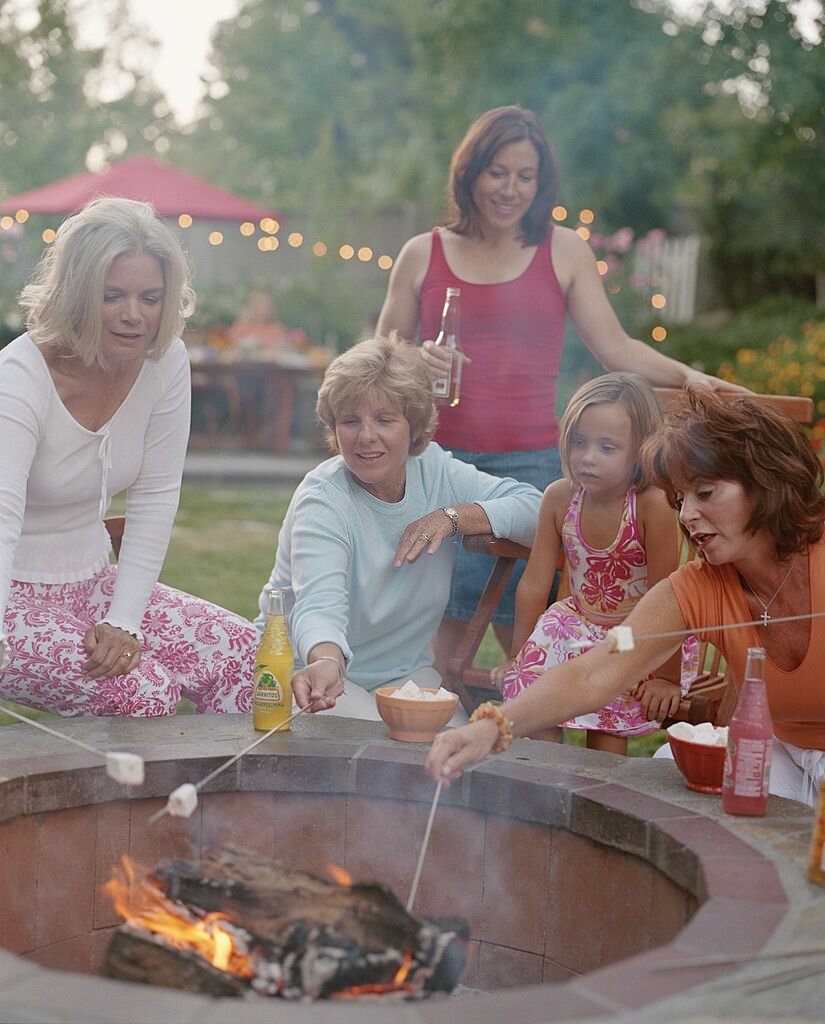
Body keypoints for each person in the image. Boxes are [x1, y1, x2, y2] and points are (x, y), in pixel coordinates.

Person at [376, 104, 744, 671]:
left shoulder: (563, 249)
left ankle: (523, 742)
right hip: (438, 461)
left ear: (541, 182)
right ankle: (444, 739)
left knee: (527, 636)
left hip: (532, 466)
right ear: (469, 173)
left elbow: (616, 349)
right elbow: (381, 358)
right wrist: (413, 361)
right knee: (445, 636)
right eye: (498, 172)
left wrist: (688, 376)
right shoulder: (422, 252)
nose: (511, 189)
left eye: (526, 176)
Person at [426, 388, 825, 807]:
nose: (687, 515)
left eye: (704, 494)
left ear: (765, 484)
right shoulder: (697, 588)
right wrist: (493, 725)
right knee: (672, 795)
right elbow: (598, 670)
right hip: (778, 753)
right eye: (680, 499)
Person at [0, 197, 255, 717]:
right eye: (111, 295)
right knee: (143, 692)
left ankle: (208, 800)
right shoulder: (18, 379)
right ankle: (113, 800)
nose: (133, 315)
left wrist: (124, 618)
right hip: (9, 599)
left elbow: (157, 494)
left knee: (245, 654)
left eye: (150, 296)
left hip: (92, 579)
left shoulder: (166, 360)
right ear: (75, 294)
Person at [254, 333, 542, 720]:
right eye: (350, 421)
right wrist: (326, 660)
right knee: (384, 753)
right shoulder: (322, 498)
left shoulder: (435, 470)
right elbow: (318, 605)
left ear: (414, 424)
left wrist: (454, 517)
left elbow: (538, 509)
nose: (366, 436)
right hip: (310, 677)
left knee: (460, 755)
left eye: (384, 420)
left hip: (406, 675)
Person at [496, 373, 698, 754]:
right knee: (537, 702)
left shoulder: (650, 504)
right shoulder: (559, 498)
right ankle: (544, 785)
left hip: (633, 634)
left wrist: (667, 679)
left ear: (641, 450)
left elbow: (668, 596)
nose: (588, 457)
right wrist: (518, 659)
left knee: (605, 729)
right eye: (579, 443)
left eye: (607, 447)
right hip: (576, 626)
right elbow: (535, 585)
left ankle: (595, 797)